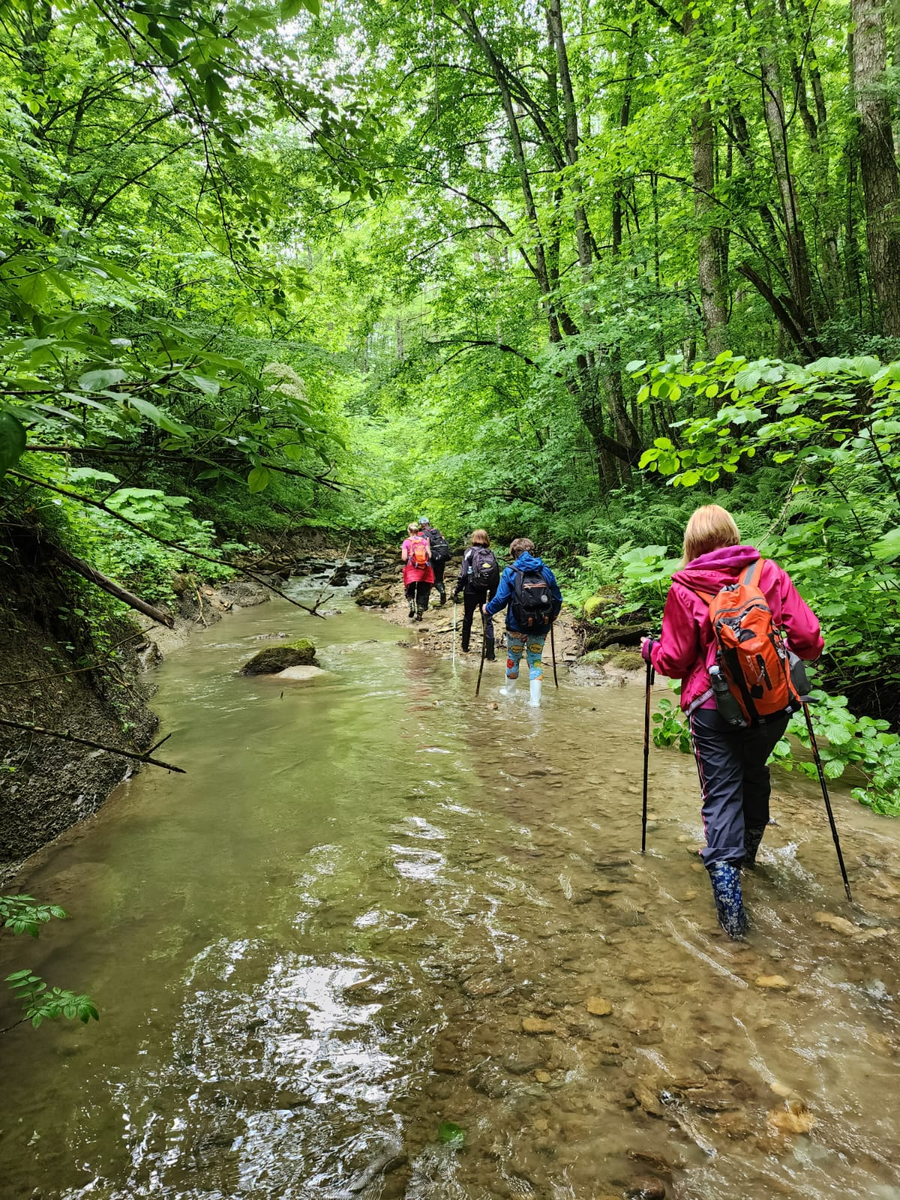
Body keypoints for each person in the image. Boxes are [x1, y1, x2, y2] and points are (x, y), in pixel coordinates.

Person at [641, 504, 823, 939]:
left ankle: (731, 913)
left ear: (691, 544)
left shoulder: (685, 586)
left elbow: (675, 660)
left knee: (721, 792)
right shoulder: (768, 574)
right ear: (732, 534)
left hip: (712, 707)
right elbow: (810, 640)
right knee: (753, 771)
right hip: (771, 705)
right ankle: (749, 856)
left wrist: (650, 650)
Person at [484, 537, 562, 707]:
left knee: (513, 657)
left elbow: (501, 599)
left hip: (516, 625)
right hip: (542, 624)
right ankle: (535, 702)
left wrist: (487, 609)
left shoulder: (510, 572)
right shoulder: (546, 571)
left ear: (513, 554)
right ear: (532, 551)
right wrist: (553, 616)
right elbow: (557, 597)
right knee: (535, 660)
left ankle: (510, 692)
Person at [452, 529, 499, 660]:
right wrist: (493, 594)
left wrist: (457, 589)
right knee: (487, 619)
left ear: (474, 538)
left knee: (468, 617)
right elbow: (495, 574)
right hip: (486, 591)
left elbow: (464, 573)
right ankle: (490, 653)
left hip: (471, 590)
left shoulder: (469, 552)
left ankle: (465, 646)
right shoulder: (491, 554)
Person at [401, 522, 434, 621]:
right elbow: (430, 555)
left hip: (412, 569)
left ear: (409, 531)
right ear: (417, 531)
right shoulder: (424, 541)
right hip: (424, 569)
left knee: (410, 587)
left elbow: (404, 557)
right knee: (423, 590)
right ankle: (420, 610)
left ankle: (411, 604)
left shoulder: (406, 542)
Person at [419, 517, 451, 606]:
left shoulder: (422, 534)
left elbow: (423, 546)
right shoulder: (437, 531)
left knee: (428, 581)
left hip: (431, 559)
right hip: (441, 558)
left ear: (421, 525)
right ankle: (442, 591)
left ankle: (424, 605)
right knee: (439, 579)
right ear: (429, 523)